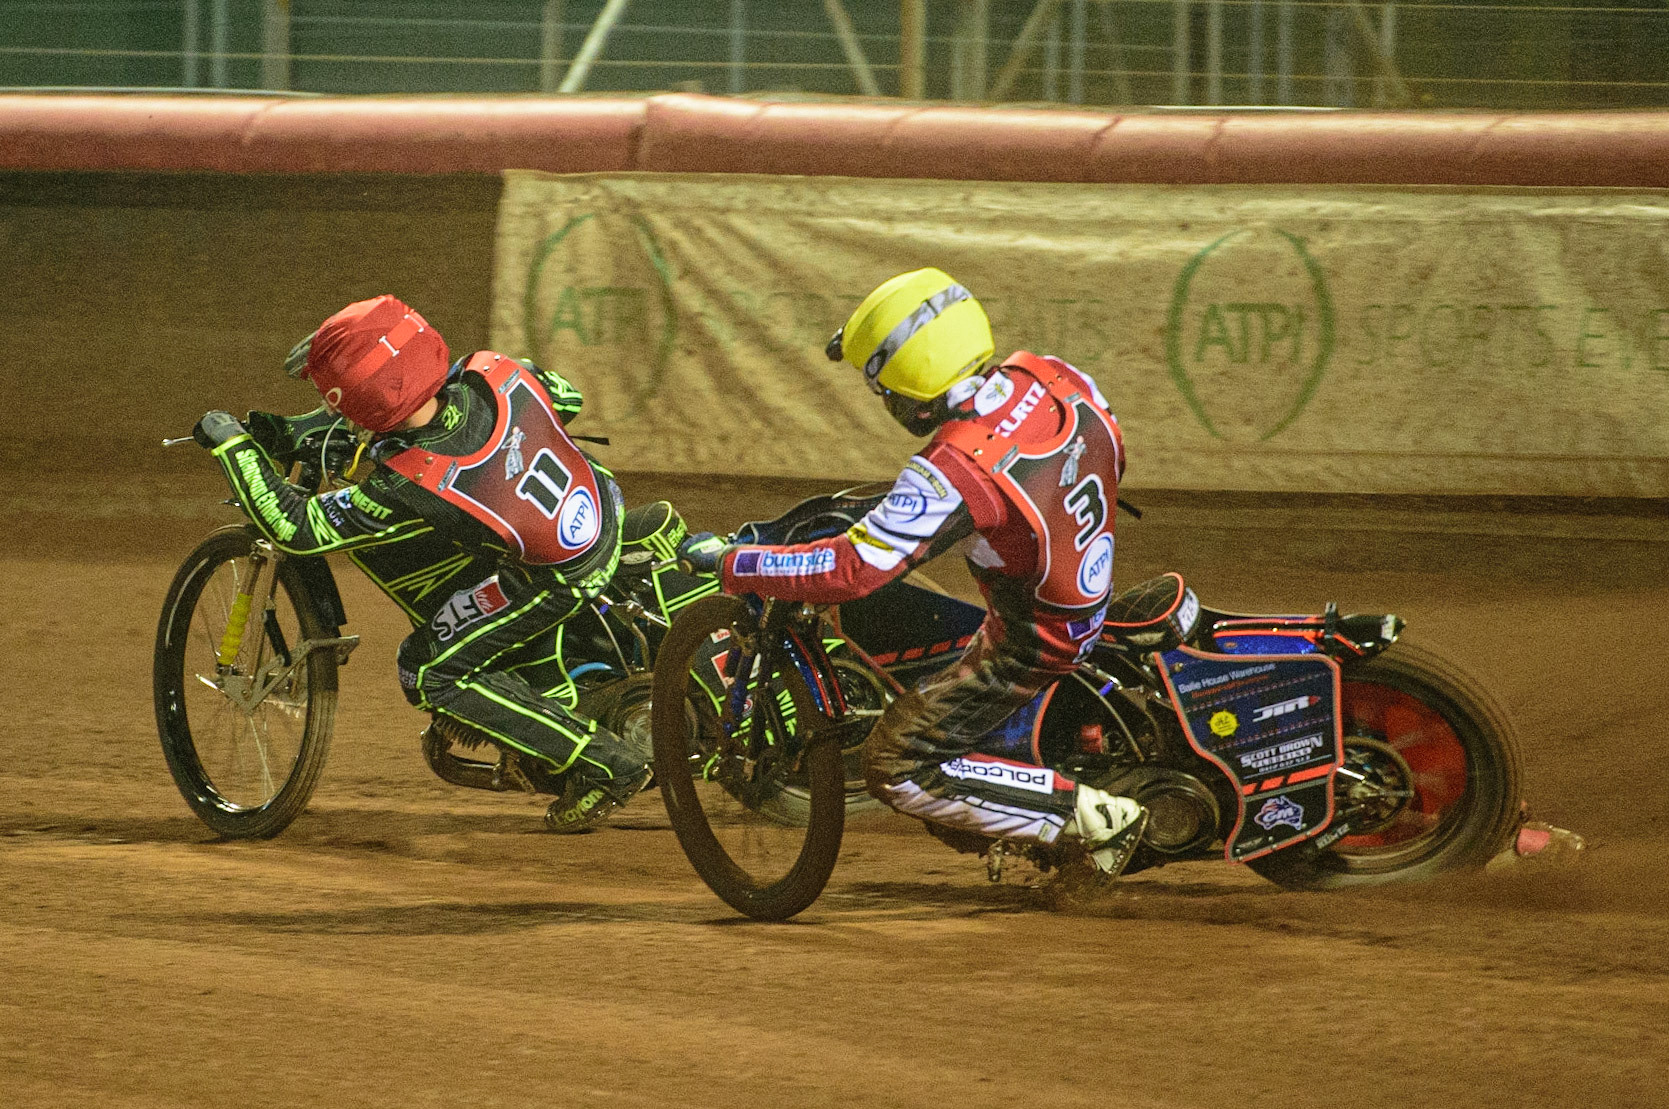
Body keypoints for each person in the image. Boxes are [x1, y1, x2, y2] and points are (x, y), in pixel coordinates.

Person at [679, 269, 1149, 880]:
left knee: (897, 764)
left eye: (884, 391)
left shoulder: (955, 469)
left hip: (1035, 641)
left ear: (914, 389)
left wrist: (735, 564)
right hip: (1084, 583)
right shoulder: (1052, 375)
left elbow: (851, 570)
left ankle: (1083, 816)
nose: (887, 405)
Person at [193, 294, 650, 832]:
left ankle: (606, 763)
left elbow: (294, 526)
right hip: (604, 506)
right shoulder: (492, 371)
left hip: (558, 577)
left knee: (428, 669)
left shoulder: (415, 481)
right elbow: (563, 399)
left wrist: (234, 445)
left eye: (338, 401)